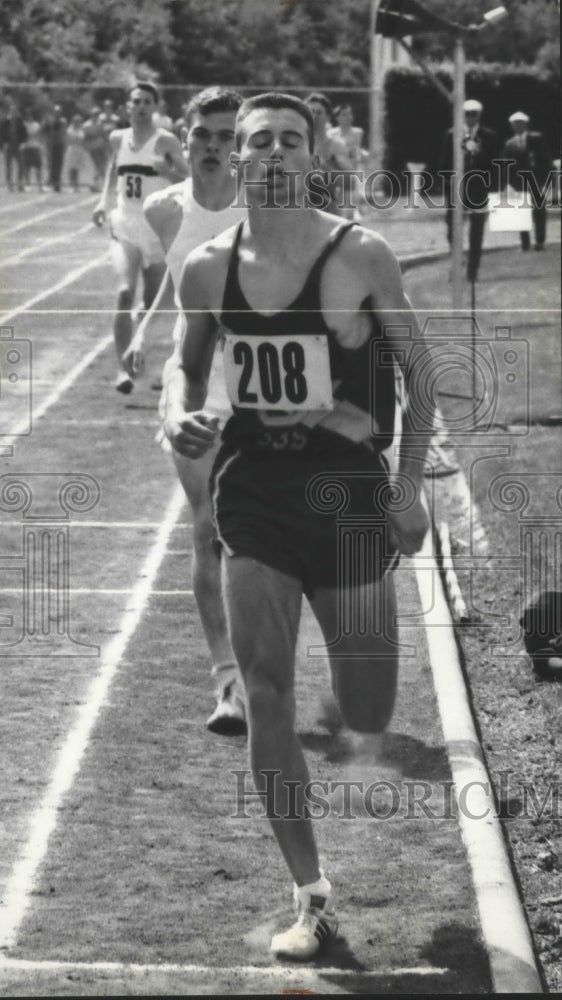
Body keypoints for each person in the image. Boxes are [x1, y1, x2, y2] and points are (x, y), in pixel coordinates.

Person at [163, 92, 434, 959]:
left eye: (290, 139)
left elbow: (421, 381)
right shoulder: (206, 267)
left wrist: (409, 487)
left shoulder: (360, 254)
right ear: (236, 161)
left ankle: (350, 696)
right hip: (256, 498)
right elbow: (184, 362)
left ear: (316, 155)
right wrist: (179, 414)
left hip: (351, 498)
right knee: (266, 690)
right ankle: (309, 893)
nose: (274, 153)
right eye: (257, 142)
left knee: (366, 708)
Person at [123, 87, 247, 735]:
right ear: (186, 137)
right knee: (208, 529)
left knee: (267, 538)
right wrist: (145, 331)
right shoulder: (164, 209)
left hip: (262, 390)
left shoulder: (269, 206)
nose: (211, 147)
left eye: (226, 136)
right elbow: (173, 284)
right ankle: (228, 681)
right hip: (194, 385)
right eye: (202, 135)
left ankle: (268, 664)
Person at [92, 81, 188, 393]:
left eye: (147, 101)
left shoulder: (167, 141)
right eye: (136, 101)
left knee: (151, 305)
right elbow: (112, 169)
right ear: (127, 107)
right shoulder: (116, 138)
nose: (141, 106)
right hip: (125, 223)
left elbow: (189, 179)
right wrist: (101, 202)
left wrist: (167, 171)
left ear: (155, 106)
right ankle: (122, 370)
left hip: (156, 227)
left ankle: (139, 351)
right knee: (123, 292)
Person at [439, 98, 499, 282]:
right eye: (467, 114)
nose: (470, 117)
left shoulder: (489, 136)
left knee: (476, 231)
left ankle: (472, 272)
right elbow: (445, 162)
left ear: (479, 115)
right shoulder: (453, 135)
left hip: (479, 189)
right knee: (453, 230)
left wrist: (493, 188)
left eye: (474, 114)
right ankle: (456, 266)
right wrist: (448, 184)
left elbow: (494, 164)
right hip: (456, 189)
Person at [503, 111, 553, 252]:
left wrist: (546, 181)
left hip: (536, 180)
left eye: (521, 123)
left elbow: (546, 161)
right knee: (522, 213)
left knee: (539, 212)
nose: (518, 126)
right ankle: (525, 243)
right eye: (515, 124)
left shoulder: (536, 139)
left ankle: (540, 241)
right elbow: (508, 165)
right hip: (518, 183)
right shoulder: (510, 144)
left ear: (526, 124)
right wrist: (507, 184)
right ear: (512, 126)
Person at [305, 92, 352, 216]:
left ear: (327, 117)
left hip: (327, 212)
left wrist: (327, 170)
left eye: (319, 112)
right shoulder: (294, 143)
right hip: (297, 210)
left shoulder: (336, 145)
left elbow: (349, 179)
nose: (314, 116)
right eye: (310, 111)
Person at [328, 103, 369, 220]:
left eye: (349, 114)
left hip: (351, 168)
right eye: (344, 114)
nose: (348, 117)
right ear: (338, 118)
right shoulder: (331, 133)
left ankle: (357, 203)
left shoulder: (357, 132)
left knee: (354, 184)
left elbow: (355, 153)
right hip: (335, 168)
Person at [0, 103, 27, 191]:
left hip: (18, 144)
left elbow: (24, 133)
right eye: (12, 111)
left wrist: (23, 143)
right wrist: (1, 145)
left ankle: (19, 183)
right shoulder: (5, 121)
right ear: (10, 112)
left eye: (15, 111)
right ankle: (9, 184)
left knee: (21, 164)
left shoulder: (20, 121)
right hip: (8, 144)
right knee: (8, 165)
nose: (14, 113)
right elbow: (0, 134)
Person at [43, 104, 68, 192]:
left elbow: (63, 132)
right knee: (51, 164)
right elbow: (45, 132)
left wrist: (65, 144)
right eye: (56, 112)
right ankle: (51, 182)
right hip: (51, 145)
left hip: (59, 144)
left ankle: (57, 184)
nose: (57, 113)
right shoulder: (50, 121)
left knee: (58, 165)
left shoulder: (62, 121)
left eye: (59, 112)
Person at [83, 106, 108, 191]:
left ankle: (98, 184)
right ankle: (96, 184)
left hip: (101, 147)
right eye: (94, 114)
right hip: (93, 148)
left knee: (101, 166)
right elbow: (85, 138)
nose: (96, 116)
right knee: (97, 166)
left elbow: (104, 135)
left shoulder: (100, 123)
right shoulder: (87, 125)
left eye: (97, 114)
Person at [21, 110, 44, 191]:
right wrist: (31, 135)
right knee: (27, 167)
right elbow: (25, 135)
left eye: (30, 115)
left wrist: (33, 135)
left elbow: (38, 135)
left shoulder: (36, 124)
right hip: (27, 147)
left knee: (38, 167)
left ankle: (40, 185)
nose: (29, 117)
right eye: (27, 115)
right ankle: (28, 185)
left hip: (36, 147)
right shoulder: (24, 125)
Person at [65, 114, 88, 193]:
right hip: (72, 150)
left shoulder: (81, 130)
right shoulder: (70, 130)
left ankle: (76, 185)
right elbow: (71, 140)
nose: (79, 123)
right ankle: (71, 185)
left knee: (77, 169)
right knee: (72, 169)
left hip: (79, 150)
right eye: (77, 121)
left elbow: (82, 140)